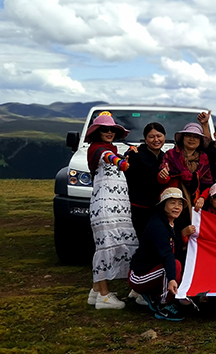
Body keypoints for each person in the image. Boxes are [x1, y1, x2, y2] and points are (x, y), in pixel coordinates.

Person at [85, 112, 138, 310]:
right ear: (97, 133)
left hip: (116, 206)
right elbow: (109, 158)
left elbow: (113, 157)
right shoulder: (99, 150)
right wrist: (120, 162)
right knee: (106, 246)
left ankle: (96, 291)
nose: (109, 133)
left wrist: (125, 156)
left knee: (113, 244)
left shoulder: (109, 149)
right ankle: (104, 297)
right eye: (105, 130)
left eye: (112, 130)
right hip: (106, 206)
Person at [128, 187, 189, 321]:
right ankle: (163, 304)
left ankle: (155, 294)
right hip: (139, 276)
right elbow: (167, 254)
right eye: (172, 203)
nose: (177, 207)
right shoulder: (158, 225)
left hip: (154, 269)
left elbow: (175, 250)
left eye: (180, 204)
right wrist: (172, 279)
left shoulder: (172, 223)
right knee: (175, 266)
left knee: (176, 265)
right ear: (163, 205)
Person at [158, 123, 213, 240]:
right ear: (183, 138)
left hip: (194, 203)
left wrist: (202, 198)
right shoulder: (171, 155)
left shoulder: (203, 158)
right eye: (188, 135)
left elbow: (207, 183)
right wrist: (163, 176)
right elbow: (162, 180)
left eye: (196, 137)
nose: (192, 139)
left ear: (200, 141)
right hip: (173, 201)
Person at [124, 122, 167, 237]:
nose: (156, 140)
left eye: (159, 136)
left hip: (158, 209)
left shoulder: (165, 157)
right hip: (138, 208)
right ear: (145, 139)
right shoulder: (135, 155)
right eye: (151, 137)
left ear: (164, 137)